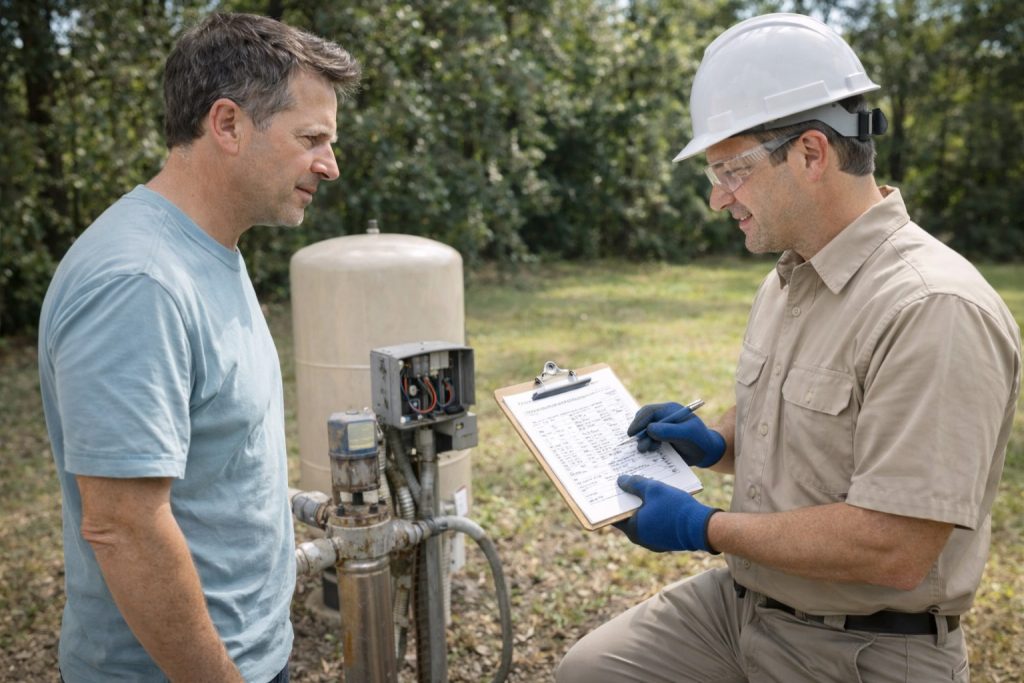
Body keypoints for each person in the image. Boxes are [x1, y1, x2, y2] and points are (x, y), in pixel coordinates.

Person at [557, 12, 1020, 682]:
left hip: (867, 646)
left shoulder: (931, 306)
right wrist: (715, 444)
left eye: (731, 170)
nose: (718, 198)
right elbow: (808, 435)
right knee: (590, 672)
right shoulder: (790, 277)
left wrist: (704, 527)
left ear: (811, 153)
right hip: (743, 607)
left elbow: (894, 546)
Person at [38, 12, 359, 682]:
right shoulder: (139, 281)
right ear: (228, 125)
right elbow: (124, 527)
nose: (330, 165)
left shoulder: (209, 248)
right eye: (312, 139)